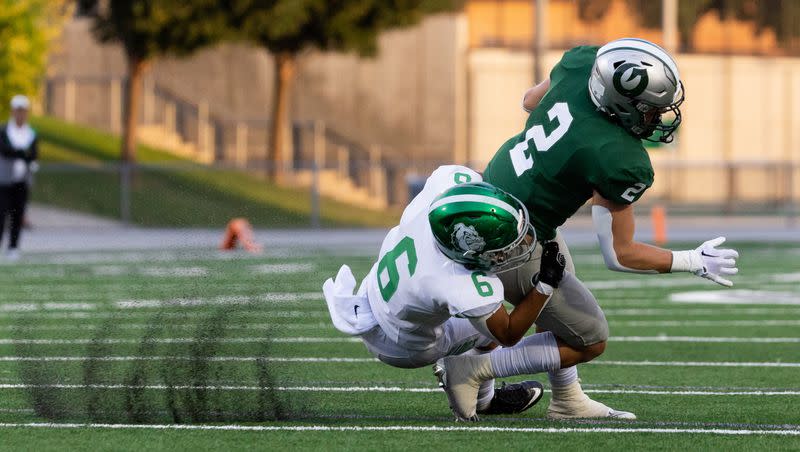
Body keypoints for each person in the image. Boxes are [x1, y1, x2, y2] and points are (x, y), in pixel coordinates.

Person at [456, 37, 740, 419]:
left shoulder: (581, 64)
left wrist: (563, 143)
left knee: (560, 280)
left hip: (491, 190)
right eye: (648, 110)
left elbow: (529, 101)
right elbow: (619, 255)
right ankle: (474, 370)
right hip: (511, 237)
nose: (657, 119)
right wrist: (692, 260)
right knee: (589, 337)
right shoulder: (617, 157)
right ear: (621, 103)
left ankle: (567, 399)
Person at [323, 165, 623, 421]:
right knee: (496, 324)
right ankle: (468, 379)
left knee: (487, 322)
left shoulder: (444, 192)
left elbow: (476, 179)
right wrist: (544, 285)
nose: (517, 247)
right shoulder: (456, 280)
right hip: (402, 344)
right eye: (504, 245)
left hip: (376, 295)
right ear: (468, 251)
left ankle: (485, 400)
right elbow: (508, 334)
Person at [0, 95, 38, 261]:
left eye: (23, 111)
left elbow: (34, 154)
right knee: (1, 215)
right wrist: (22, 153)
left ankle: (13, 247)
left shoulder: (30, 134)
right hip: (4, 181)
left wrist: (20, 154)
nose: (20, 114)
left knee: (18, 215)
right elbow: (5, 151)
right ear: (13, 111)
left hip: (22, 180)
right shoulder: (4, 131)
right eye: (18, 111)